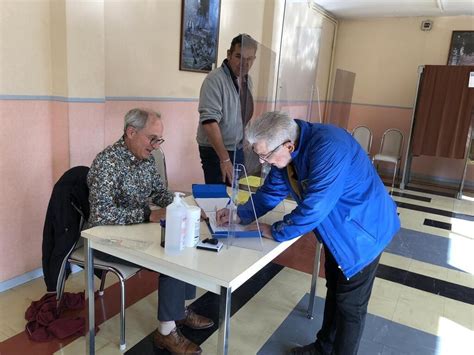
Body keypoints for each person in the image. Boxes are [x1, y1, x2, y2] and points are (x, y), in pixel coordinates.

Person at [217, 111, 400, 355]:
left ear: (288, 145)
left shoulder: (330, 147)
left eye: (264, 156)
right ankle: (324, 348)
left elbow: (316, 206)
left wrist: (277, 230)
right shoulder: (289, 152)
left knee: (350, 307)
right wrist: (240, 214)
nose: (262, 162)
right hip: (340, 231)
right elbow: (272, 191)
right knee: (335, 290)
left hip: (362, 233)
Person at [87, 108, 213, 354]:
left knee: (182, 239)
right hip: (106, 239)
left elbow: (159, 193)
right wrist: (147, 215)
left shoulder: (145, 160)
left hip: (135, 230)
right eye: (152, 138)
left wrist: (184, 205)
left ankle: (178, 310)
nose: (156, 145)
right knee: (170, 254)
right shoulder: (107, 163)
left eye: (159, 139)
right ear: (131, 132)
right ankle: (166, 332)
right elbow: (101, 215)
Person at [197, 33, 257, 184]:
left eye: (250, 59)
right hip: (215, 152)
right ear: (229, 54)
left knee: (237, 194)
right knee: (219, 197)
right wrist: (224, 159)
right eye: (239, 57)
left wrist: (246, 140)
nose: (245, 64)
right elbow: (210, 122)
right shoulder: (214, 80)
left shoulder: (247, 80)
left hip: (237, 148)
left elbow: (243, 115)